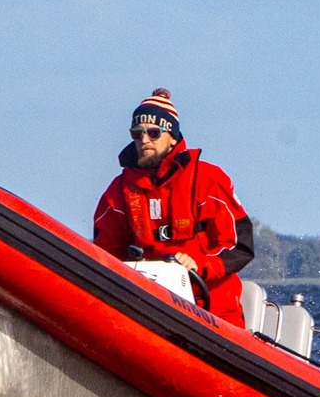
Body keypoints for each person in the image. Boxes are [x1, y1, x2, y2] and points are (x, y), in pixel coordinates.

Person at [93, 88, 255, 327]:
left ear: (172, 137)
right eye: (137, 134)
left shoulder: (207, 180)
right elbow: (106, 254)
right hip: (149, 308)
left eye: (153, 132)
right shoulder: (119, 192)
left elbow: (239, 245)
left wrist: (198, 265)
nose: (144, 140)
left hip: (213, 313)